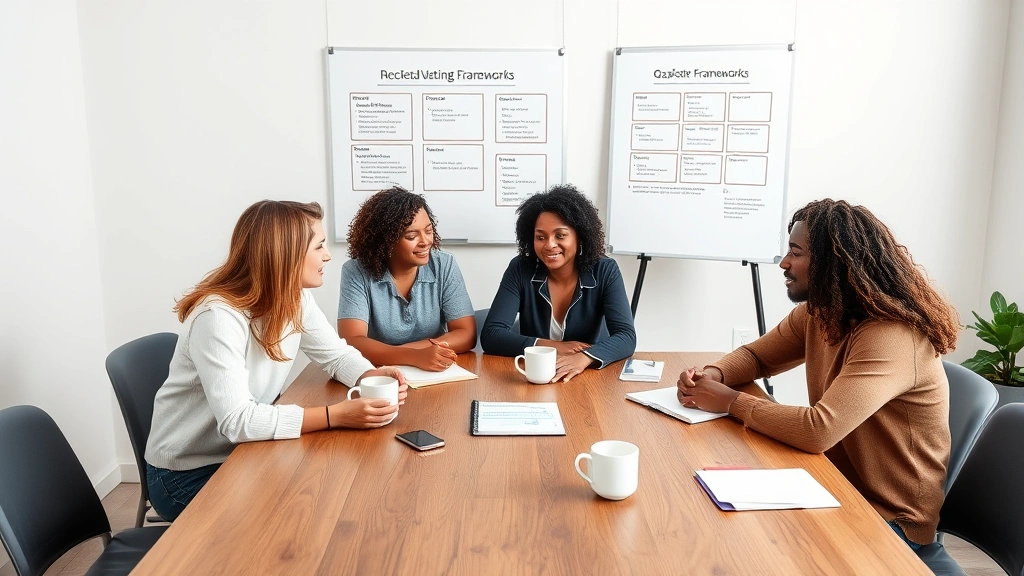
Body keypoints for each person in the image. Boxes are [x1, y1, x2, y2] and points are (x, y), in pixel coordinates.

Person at [675, 198, 959, 549]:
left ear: (833, 263)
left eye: (796, 252)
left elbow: (818, 430)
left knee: (742, 545)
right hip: (832, 485)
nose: (784, 263)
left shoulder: (891, 336)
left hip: (891, 521)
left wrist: (730, 401)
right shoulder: (822, 312)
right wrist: (713, 374)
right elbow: (755, 356)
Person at [145, 200, 408, 521]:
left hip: (245, 452)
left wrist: (371, 377)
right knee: (295, 513)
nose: (327, 256)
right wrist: (335, 416)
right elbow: (238, 422)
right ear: (285, 254)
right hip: (187, 473)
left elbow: (336, 355)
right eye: (319, 246)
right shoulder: (218, 317)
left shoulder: (295, 298)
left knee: (324, 491)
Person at [481, 184, 636, 382]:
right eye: (540, 237)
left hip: (588, 378)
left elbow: (626, 337)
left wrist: (583, 357)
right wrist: (551, 346)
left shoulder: (605, 270)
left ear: (580, 236)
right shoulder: (521, 268)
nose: (549, 245)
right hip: (535, 377)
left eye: (560, 235)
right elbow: (492, 335)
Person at [337, 187, 476, 371]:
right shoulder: (356, 271)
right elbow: (352, 340)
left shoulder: (444, 264)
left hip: (433, 369)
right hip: (380, 375)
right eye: (411, 236)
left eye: (428, 230)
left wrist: (408, 353)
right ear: (386, 241)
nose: (425, 241)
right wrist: (414, 356)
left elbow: (466, 334)